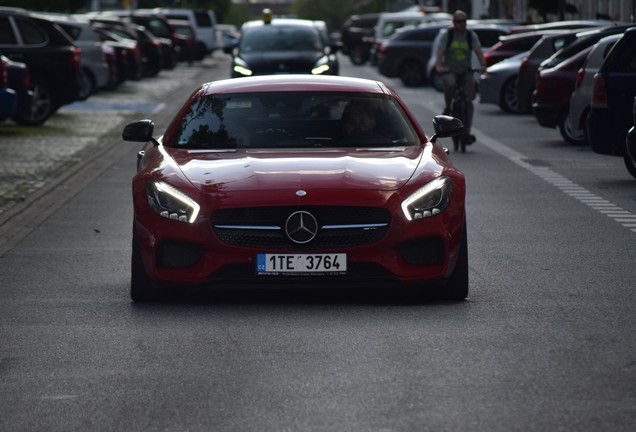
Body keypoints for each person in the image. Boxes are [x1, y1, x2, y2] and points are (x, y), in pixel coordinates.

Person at [434, 10, 487, 144]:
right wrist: (439, 66)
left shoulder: (470, 36)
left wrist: (483, 65)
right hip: (451, 70)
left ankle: (467, 133)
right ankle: (448, 107)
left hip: (466, 71)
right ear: (454, 23)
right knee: (450, 84)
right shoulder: (448, 35)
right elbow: (440, 52)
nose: (462, 24)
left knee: (469, 101)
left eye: (464, 21)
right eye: (459, 21)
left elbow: (479, 51)